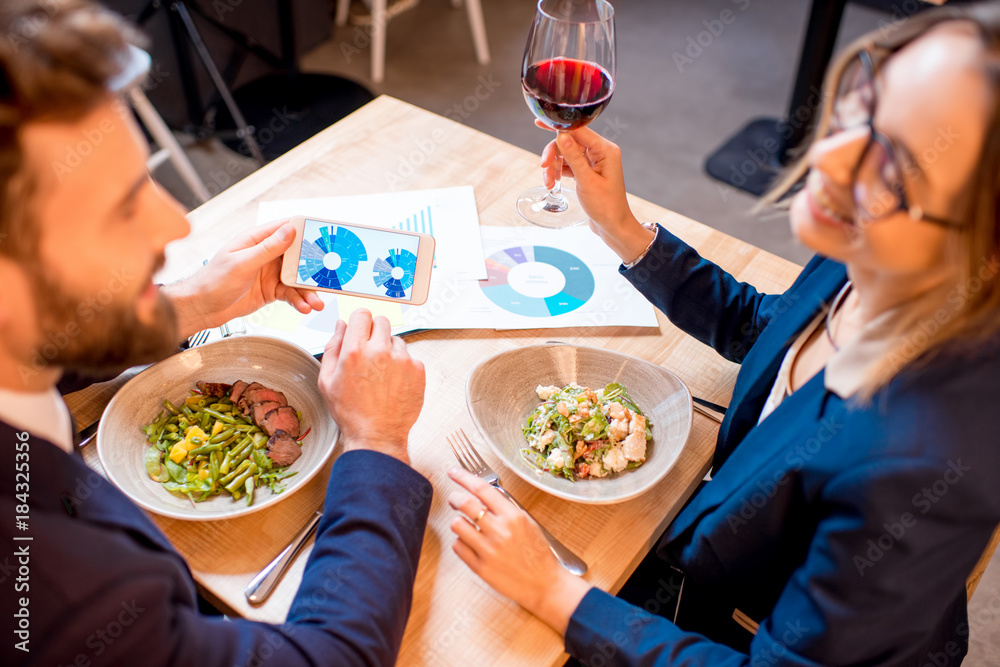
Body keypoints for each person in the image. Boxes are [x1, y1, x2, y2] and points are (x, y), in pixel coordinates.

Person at [447, 3, 1000, 665]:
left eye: (896, 167)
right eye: (863, 103)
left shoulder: (919, 466)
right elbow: (768, 329)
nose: (827, 153)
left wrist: (553, 591)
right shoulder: (871, 256)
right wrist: (622, 228)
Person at [0, 2, 430, 666]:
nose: (175, 226)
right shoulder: (59, 592)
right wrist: (377, 443)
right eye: (119, 208)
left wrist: (188, 306)